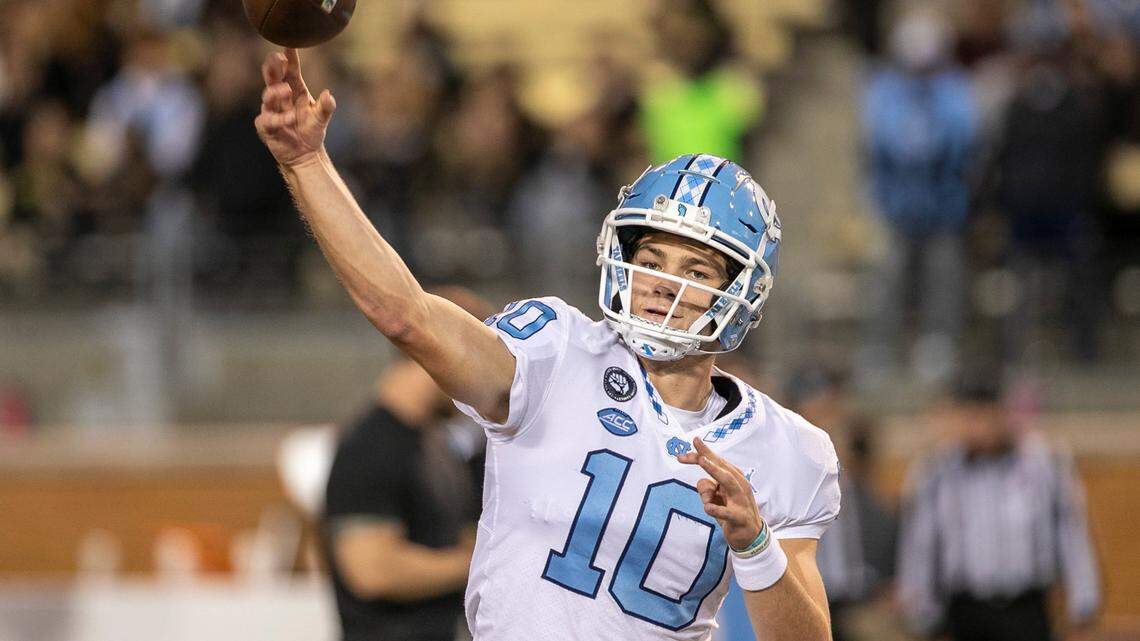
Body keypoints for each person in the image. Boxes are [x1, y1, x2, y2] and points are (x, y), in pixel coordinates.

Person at [254, 48, 840, 640]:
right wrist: (306, 162)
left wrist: (755, 543)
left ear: (740, 293)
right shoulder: (557, 352)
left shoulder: (789, 450)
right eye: (650, 259)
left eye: (694, 269)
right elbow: (408, 316)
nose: (662, 284)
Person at [321, 289, 490, 641]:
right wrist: (480, 563)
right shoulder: (369, 446)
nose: (481, 377)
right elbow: (372, 570)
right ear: (439, 351)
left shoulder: (435, 443)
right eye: (475, 358)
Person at [896, 375, 1101, 641]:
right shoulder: (937, 471)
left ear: (1002, 414)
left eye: (984, 416)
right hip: (963, 608)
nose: (976, 427)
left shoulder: (1043, 465)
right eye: (968, 417)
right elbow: (921, 544)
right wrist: (920, 611)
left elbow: (1071, 534)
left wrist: (1083, 604)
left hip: (1026, 606)